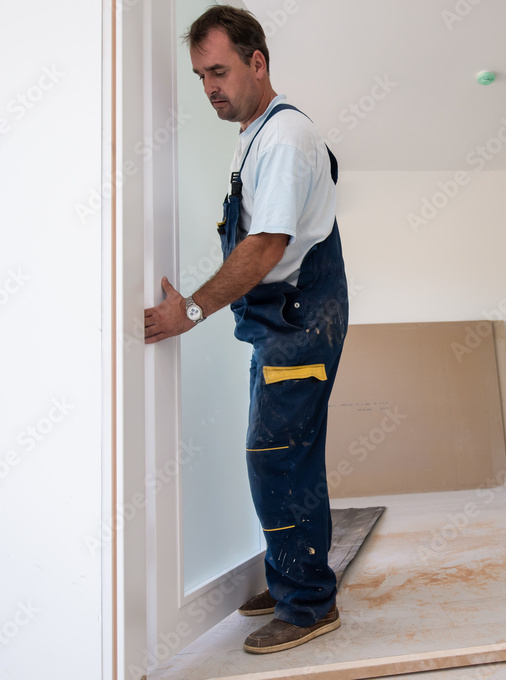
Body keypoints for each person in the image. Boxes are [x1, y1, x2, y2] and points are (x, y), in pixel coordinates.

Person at [143, 5, 347, 654]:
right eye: (202, 75)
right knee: (288, 460)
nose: (210, 88)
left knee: (276, 465)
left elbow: (264, 247)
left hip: (297, 323)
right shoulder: (256, 132)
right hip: (287, 323)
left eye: (221, 72)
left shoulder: (284, 141)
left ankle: (308, 605)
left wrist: (190, 311)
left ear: (257, 63)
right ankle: (297, 577)